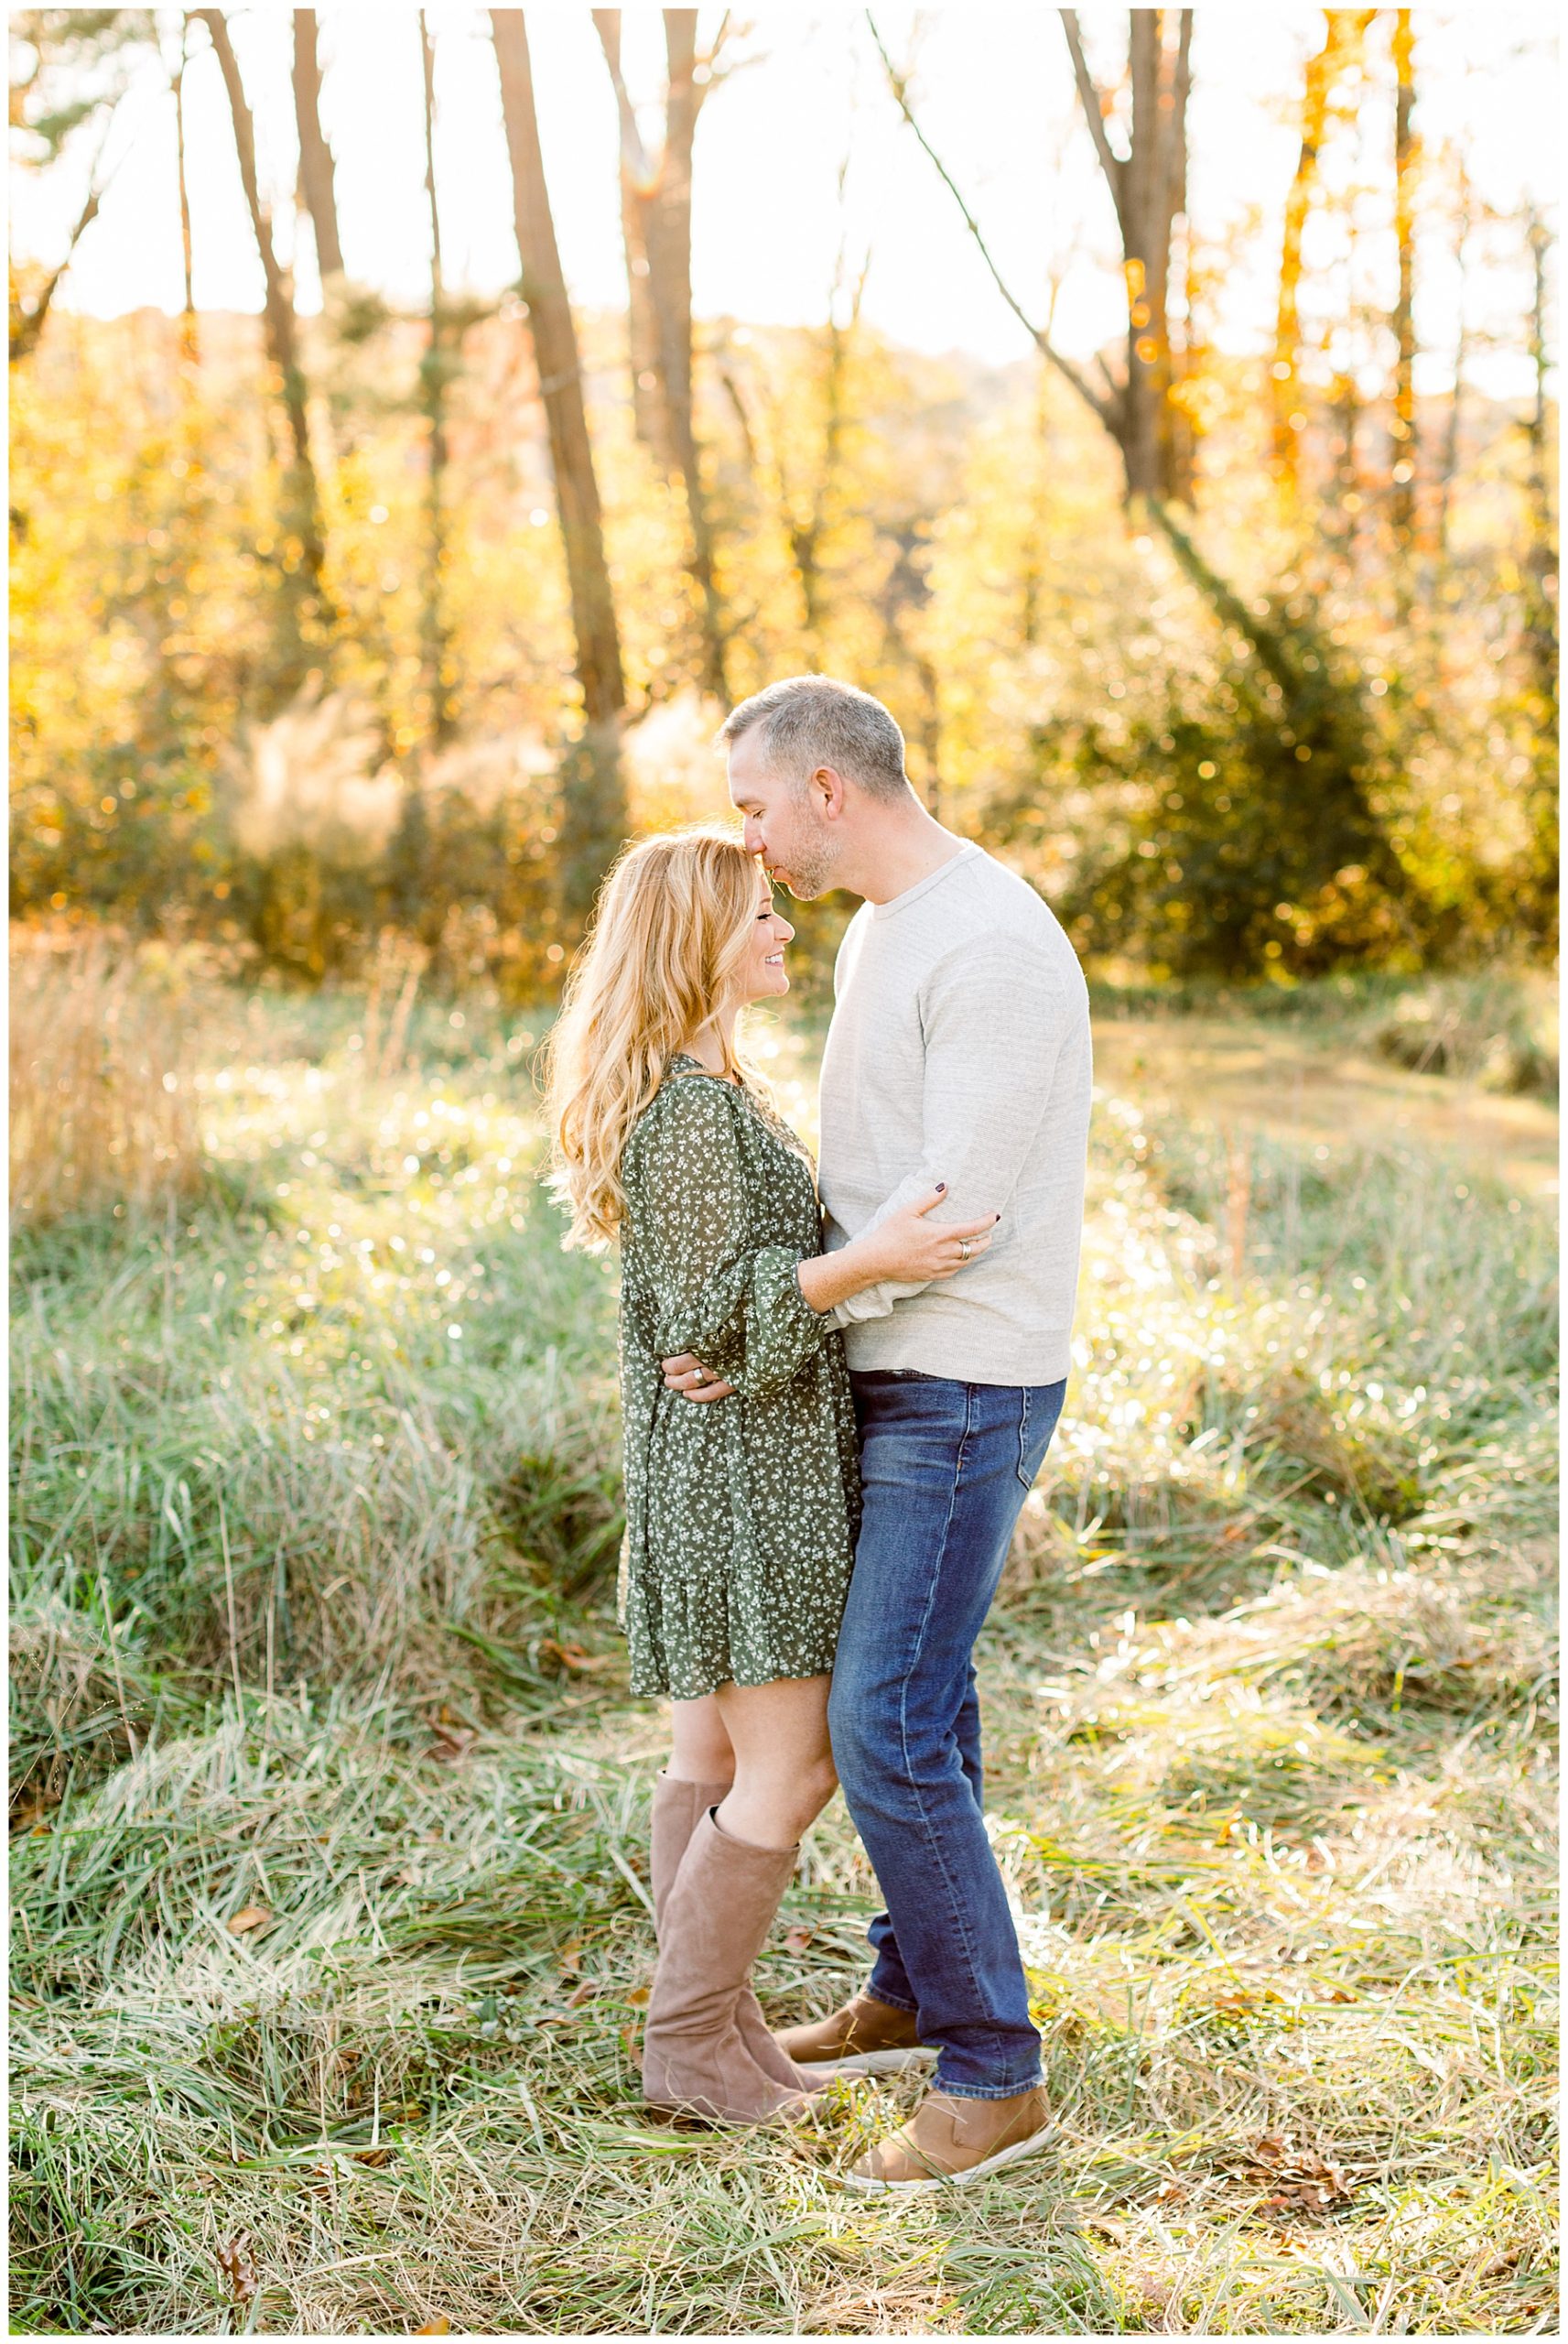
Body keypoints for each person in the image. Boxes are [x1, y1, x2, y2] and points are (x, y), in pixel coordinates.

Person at [663, 678, 1092, 2188]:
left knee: (883, 1721)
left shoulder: (989, 945)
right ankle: (911, 1991)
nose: (753, 841)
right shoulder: (887, 931)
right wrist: (792, 1321)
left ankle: (992, 2073)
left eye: (757, 809)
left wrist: (778, 1320)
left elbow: (952, 1220)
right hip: (883, 1365)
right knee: (928, 1697)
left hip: (962, 1379)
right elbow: (875, 1206)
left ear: (829, 788)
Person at [543, 828, 998, 2127]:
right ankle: (686, 2044)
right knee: (788, 1777)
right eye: (759, 917)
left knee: (709, 1755)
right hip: (750, 1486)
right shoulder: (687, 1116)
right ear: (696, 942)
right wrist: (873, 1258)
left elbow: (710, 1312)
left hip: (731, 1465)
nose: (786, 929)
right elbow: (702, 1321)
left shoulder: (703, 1087)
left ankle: (721, 2036)